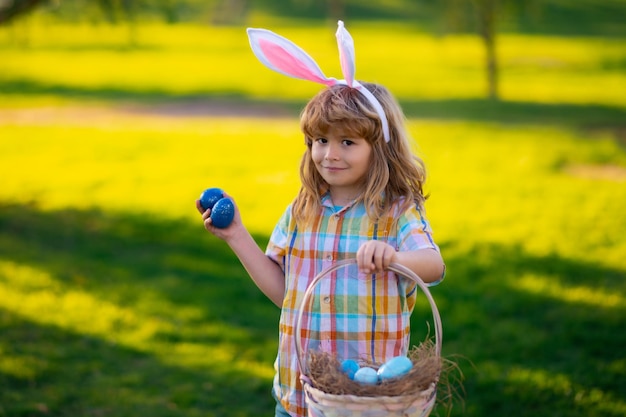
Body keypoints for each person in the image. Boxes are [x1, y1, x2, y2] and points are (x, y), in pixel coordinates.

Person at [197, 21, 445, 417]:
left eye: (347, 142)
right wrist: (236, 234)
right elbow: (287, 294)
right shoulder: (303, 210)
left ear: (378, 147)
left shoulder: (396, 213)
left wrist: (394, 258)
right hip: (300, 395)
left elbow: (433, 266)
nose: (330, 154)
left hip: (369, 401)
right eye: (320, 141)